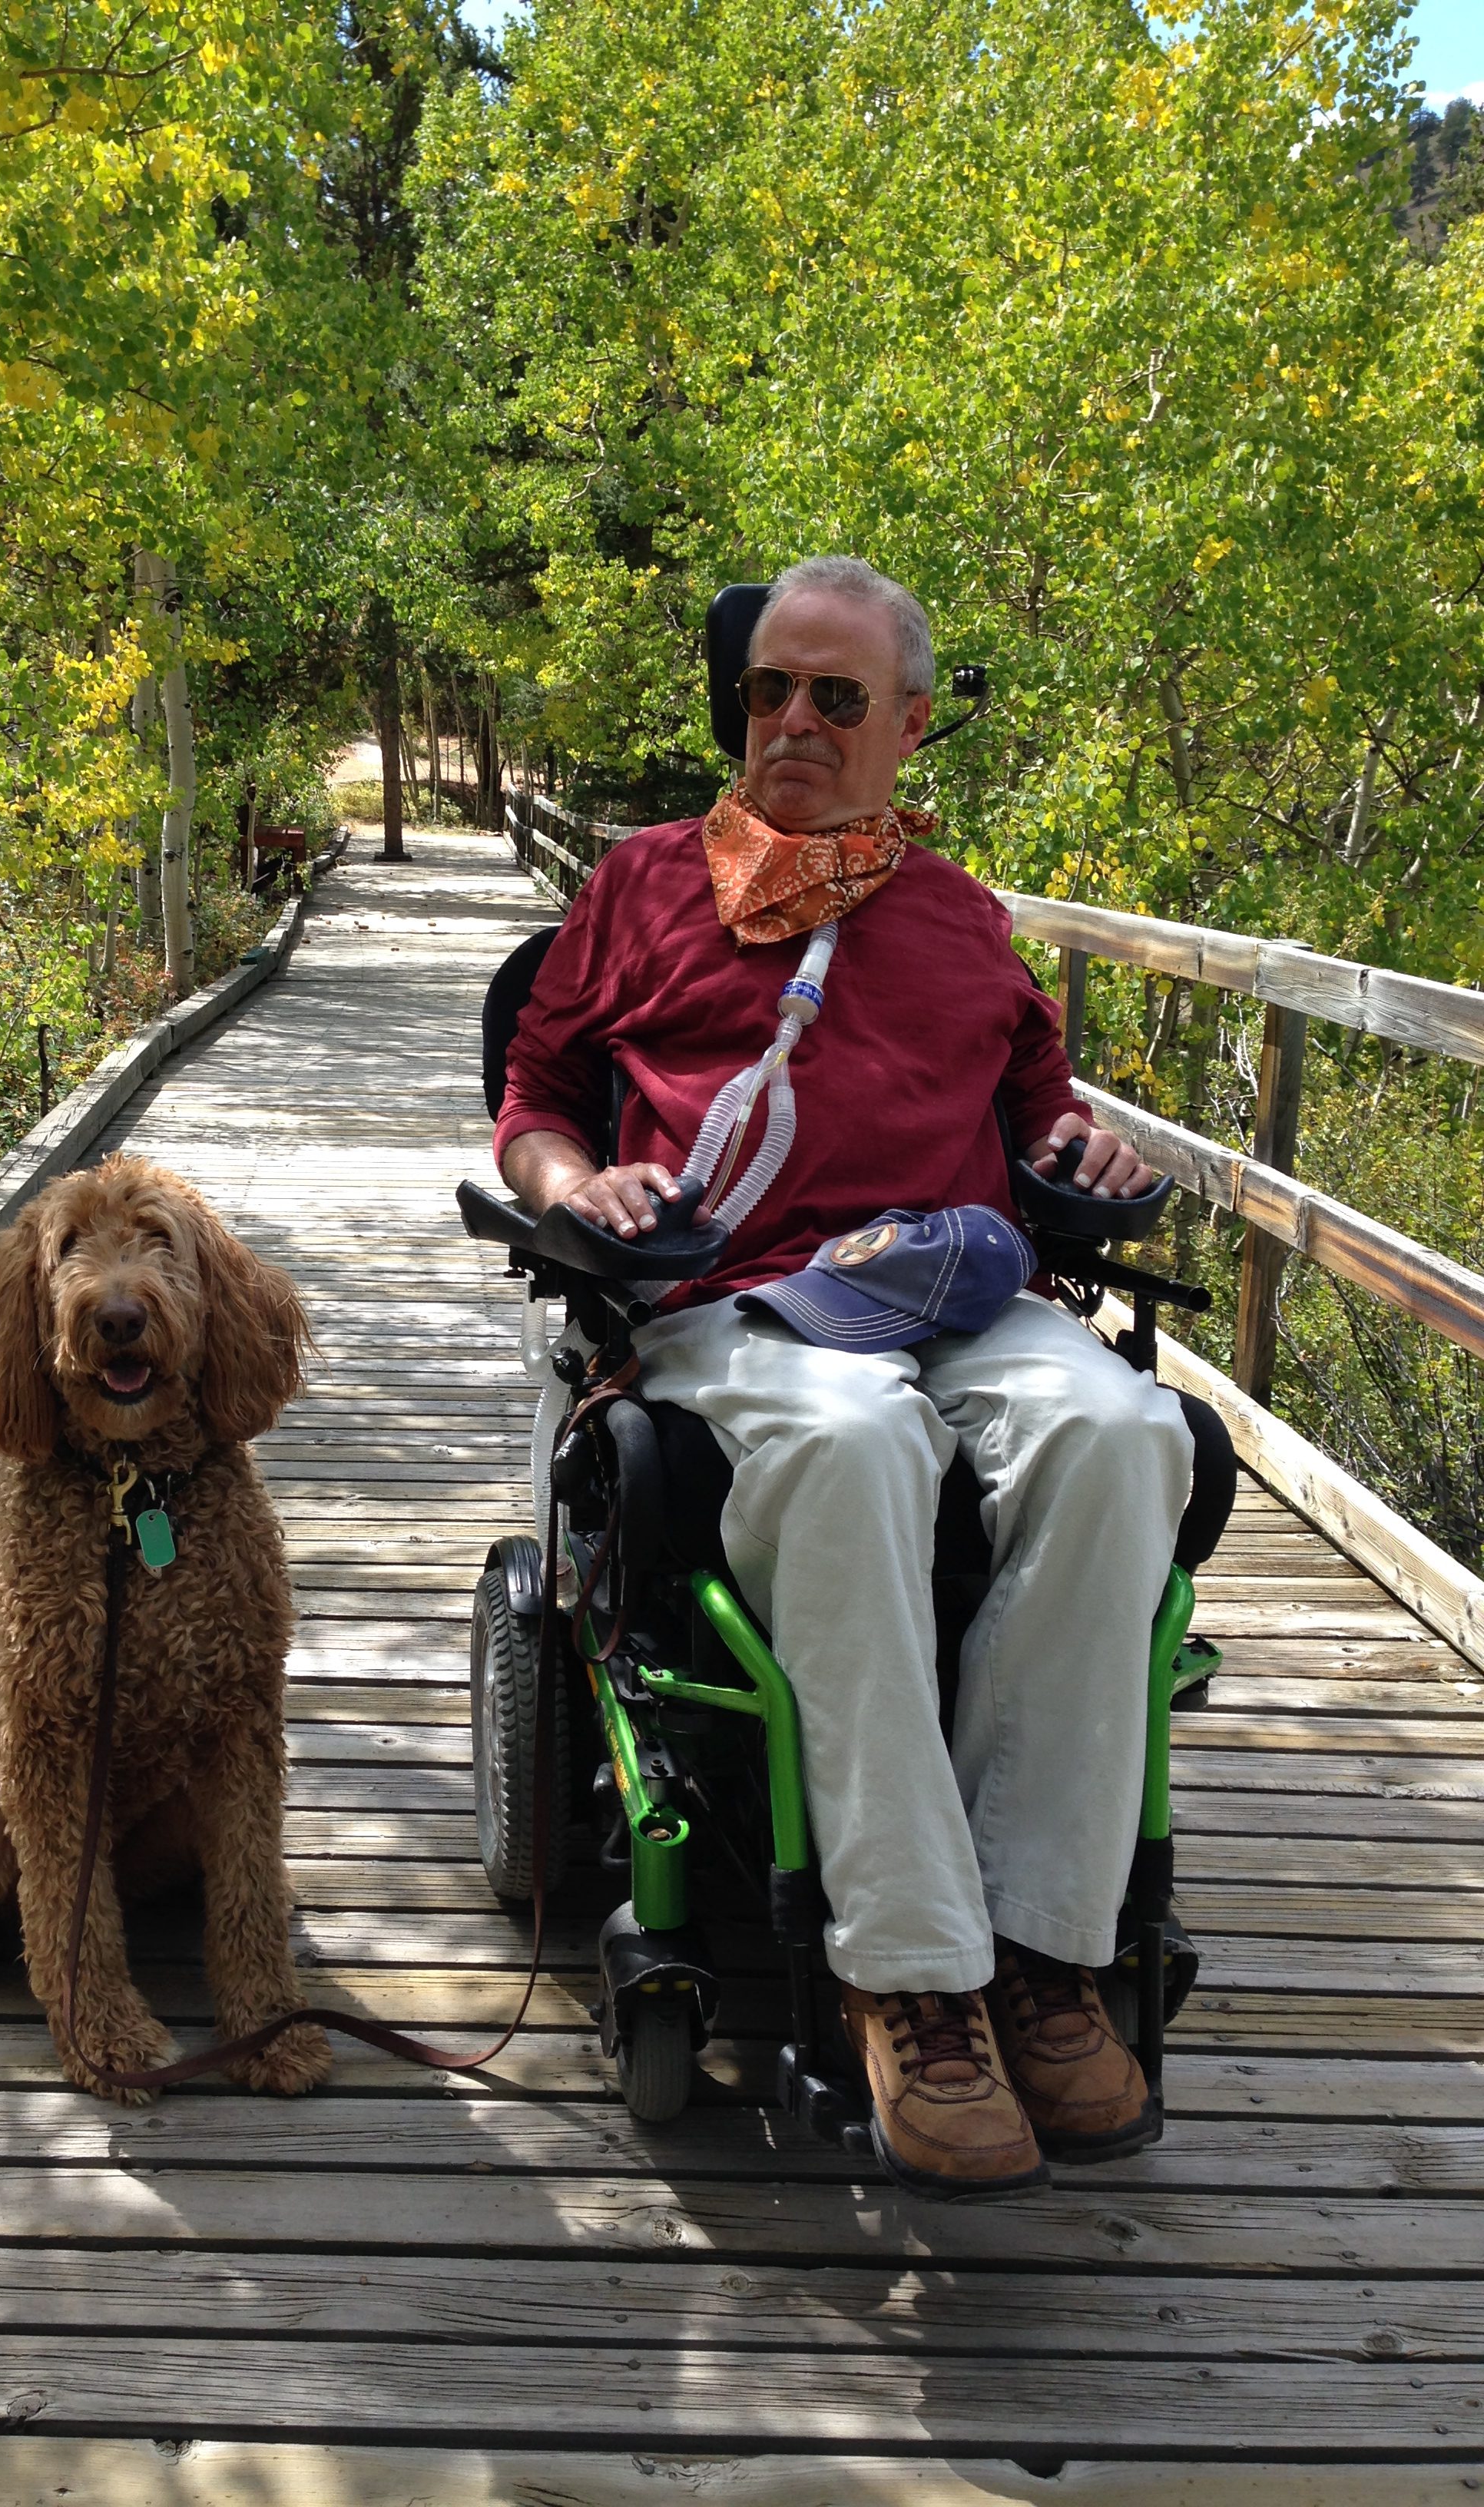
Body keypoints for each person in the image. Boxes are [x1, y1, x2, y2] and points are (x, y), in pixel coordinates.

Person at [496, 555, 1194, 2201]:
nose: (791, 721)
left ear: (912, 724)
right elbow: (534, 1096)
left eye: (835, 696)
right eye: (766, 690)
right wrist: (568, 1184)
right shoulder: (647, 883)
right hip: (735, 1295)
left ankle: (1042, 1948)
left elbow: (1040, 1112)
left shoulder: (961, 921)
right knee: (858, 1437)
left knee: (1121, 1429)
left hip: (948, 1282)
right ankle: (910, 1974)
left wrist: (1071, 1141)